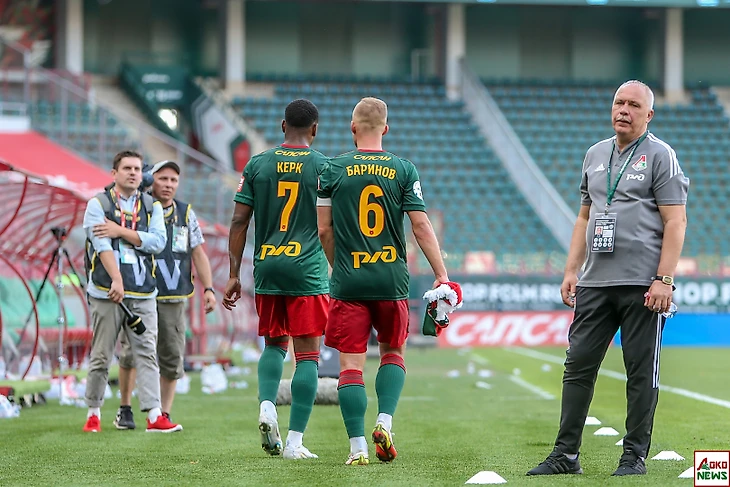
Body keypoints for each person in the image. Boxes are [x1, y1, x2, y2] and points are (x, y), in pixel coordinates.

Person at [527, 80, 689, 477]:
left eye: (634, 105)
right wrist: (571, 270)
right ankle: (565, 455)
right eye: (619, 102)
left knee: (639, 370)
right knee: (577, 365)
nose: (624, 110)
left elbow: (676, 220)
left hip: (642, 284)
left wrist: (664, 279)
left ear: (648, 115)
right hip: (595, 282)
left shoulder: (660, 156)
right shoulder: (595, 154)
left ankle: (633, 456)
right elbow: (584, 216)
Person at [316, 97, 449, 465]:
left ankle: (357, 448)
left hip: (349, 280)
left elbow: (324, 230)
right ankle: (385, 421)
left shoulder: (331, 169)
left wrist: (338, 264)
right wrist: (441, 274)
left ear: (352, 127)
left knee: (350, 366)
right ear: (386, 129)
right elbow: (420, 225)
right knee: (392, 351)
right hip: (391, 279)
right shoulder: (404, 170)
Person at [224, 99, 329, 460]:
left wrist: (234, 273)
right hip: (307, 270)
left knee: (273, 346)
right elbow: (331, 225)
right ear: (314, 129)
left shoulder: (257, 164)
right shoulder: (323, 167)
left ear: (283, 126)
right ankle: (296, 442)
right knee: (308, 357)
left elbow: (239, 222)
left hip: (267, 266)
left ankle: (267, 406)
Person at [82, 150, 182, 433]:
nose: (133, 173)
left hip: (143, 291)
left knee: (147, 354)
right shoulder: (97, 204)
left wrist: (120, 231)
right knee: (101, 355)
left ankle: (153, 415)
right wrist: (116, 279)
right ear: (114, 173)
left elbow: (158, 243)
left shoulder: (152, 206)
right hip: (106, 290)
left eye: (137, 169)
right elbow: (100, 245)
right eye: (127, 168)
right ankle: (93, 413)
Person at [114, 160, 217, 430]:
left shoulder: (186, 213)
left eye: (173, 180)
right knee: (131, 352)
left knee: (172, 356)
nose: (169, 185)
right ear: (150, 179)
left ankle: (164, 413)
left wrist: (208, 288)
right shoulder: (138, 208)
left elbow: (198, 252)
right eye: (162, 179)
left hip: (173, 296)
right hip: (139, 291)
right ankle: (125, 408)